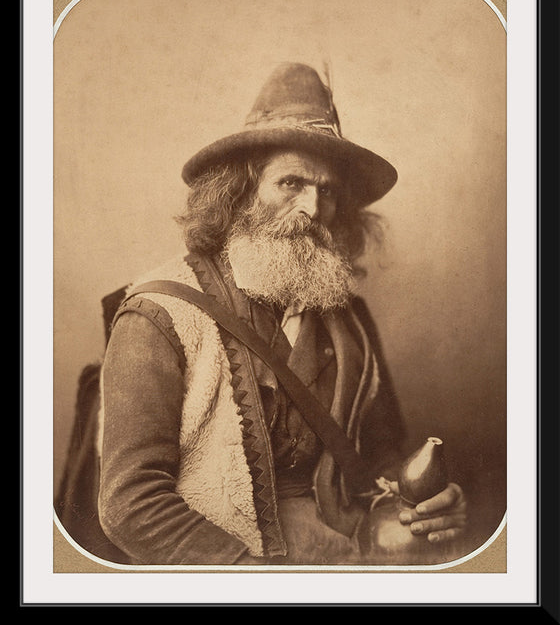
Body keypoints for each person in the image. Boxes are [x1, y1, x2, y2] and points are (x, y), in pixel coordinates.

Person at [97, 62, 467, 566]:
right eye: (290, 183)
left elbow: (377, 459)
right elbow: (130, 504)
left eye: (329, 190)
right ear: (240, 193)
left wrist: (428, 504)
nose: (313, 208)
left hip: (341, 556)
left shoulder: (348, 318)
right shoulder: (157, 315)